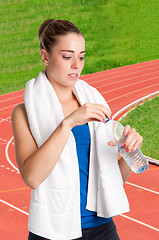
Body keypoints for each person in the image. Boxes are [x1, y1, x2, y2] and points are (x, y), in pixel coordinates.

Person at [11, 19, 143, 240]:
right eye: (67, 56)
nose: (76, 65)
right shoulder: (24, 113)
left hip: (103, 228)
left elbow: (113, 181)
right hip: (53, 231)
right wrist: (68, 123)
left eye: (81, 56)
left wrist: (130, 152)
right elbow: (32, 177)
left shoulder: (95, 103)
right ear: (45, 56)